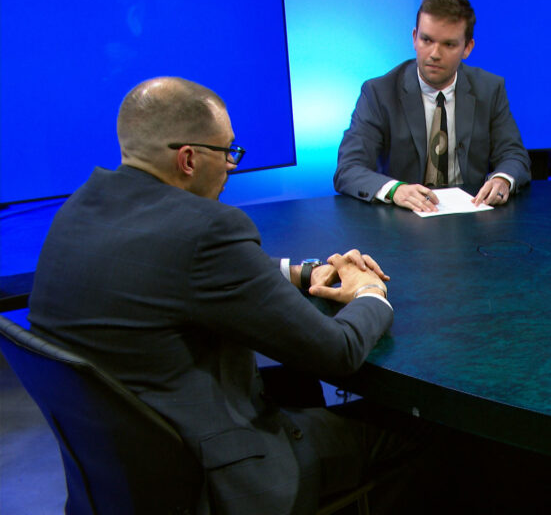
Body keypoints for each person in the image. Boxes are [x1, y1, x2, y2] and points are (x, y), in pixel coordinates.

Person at [28, 77, 434, 515]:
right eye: (227, 152)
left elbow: (171, 272)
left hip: (123, 476)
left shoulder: (77, 211)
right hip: (219, 477)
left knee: (294, 388)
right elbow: (338, 352)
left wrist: (302, 272)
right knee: (422, 440)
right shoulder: (209, 230)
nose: (231, 166)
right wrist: (370, 292)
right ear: (188, 159)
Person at [333, 0, 531, 212]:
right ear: (414, 38)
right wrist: (395, 189)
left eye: (448, 44)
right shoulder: (379, 93)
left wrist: (502, 180)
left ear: (467, 48)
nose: (435, 53)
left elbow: (514, 155)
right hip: (402, 222)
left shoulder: (489, 89)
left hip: (472, 222)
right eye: (427, 40)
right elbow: (348, 169)